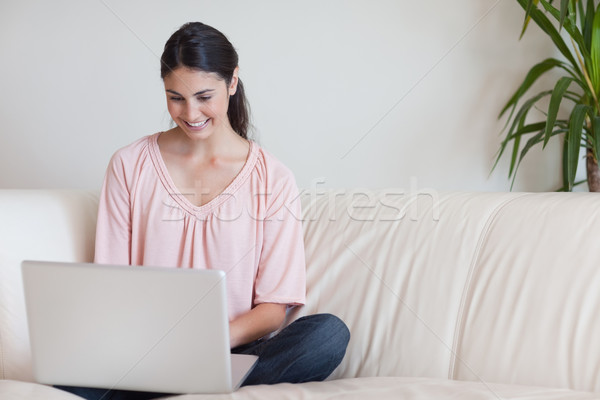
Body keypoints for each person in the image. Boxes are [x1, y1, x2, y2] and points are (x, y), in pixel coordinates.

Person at [56, 22, 350, 400]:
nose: (190, 112)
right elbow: (112, 284)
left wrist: (208, 341)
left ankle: (183, 389)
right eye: (175, 97)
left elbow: (274, 308)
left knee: (327, 335)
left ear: (233, 81)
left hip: (231, 351)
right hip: (146, 355)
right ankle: (187, 391)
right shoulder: (129, 164)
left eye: (203, 96)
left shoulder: (273, 177)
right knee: (67, 378)